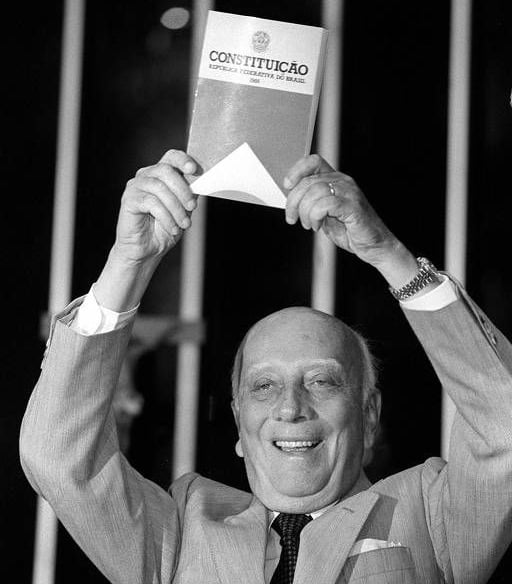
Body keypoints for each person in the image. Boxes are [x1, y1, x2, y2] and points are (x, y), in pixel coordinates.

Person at [20, 150, 512, 584]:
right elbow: (58, 456)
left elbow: (504, 425)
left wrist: (387, 254)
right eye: (263, 386)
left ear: (369, 416)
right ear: (239, 422)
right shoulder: (181, 531)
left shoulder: (430, 515)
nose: (290, 408)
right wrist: (129, 262)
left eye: (321, 381)